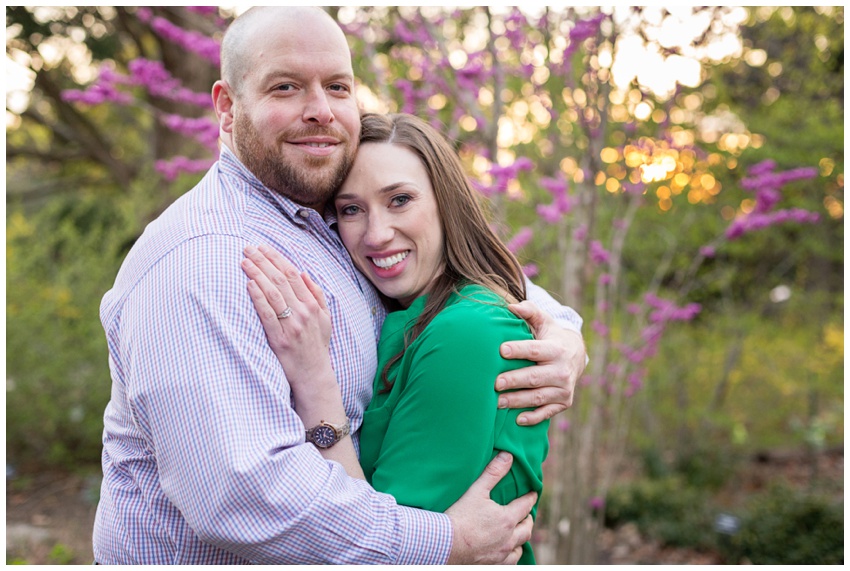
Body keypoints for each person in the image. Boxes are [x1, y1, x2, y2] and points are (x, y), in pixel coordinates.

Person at [92, 6, 585, 565]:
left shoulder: (330, 214)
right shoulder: (203, 262)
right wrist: (446, 542)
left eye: (337, 86)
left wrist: (562, 332)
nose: (320, 111)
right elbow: (244, 496)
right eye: (286, 87)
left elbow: (453, 269)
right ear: (228, 108)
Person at [242, 112, 557, 564]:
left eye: (400, 200)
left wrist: (314, 382)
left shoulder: (467, 331)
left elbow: (379, 550)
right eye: (351, 209)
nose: (376, 234)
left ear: (446, 202)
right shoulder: (415, 316)